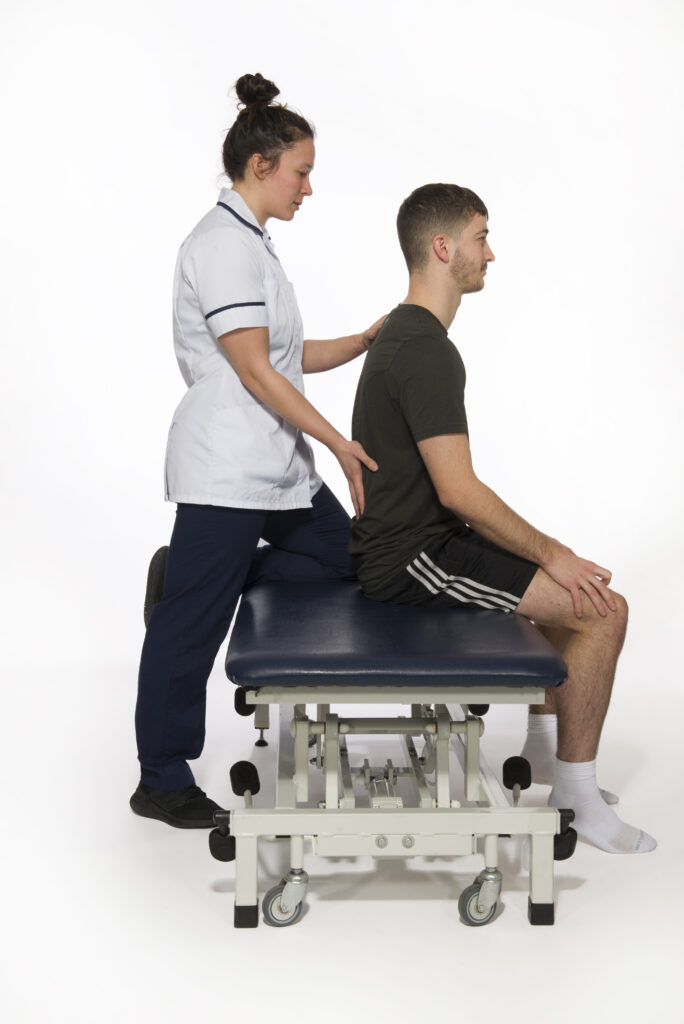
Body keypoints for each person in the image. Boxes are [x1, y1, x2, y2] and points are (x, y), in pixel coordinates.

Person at [349, 183, 655, 854]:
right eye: (481, 238)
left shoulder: (408, 335)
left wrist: (541, 558)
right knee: (603, 613)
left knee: (564, 594)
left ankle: (545, 752)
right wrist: (553, 553)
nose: (490, 253)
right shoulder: (424, 349)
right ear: (443, 247)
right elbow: (459, 492)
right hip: (413, 560)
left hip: (426, 541)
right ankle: (576, 797)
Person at [131, 73, 384, 828]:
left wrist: (368, 338)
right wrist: (337, 442)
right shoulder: (220, 246)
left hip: (275, 466)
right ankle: (161, 778)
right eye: (301, 172)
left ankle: (209, 573)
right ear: (260, 164)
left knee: (357, 558)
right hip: (227, 468)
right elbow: (253, 369)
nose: (309, 188)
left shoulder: (254, 246)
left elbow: (286, 355)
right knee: (190, 628)